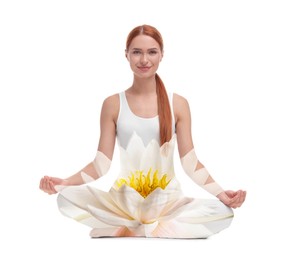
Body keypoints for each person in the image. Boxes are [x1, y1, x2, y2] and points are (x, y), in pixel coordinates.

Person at [39, 24, 246, 238]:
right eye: (137, 52)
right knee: (65, 197)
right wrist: (64, 183)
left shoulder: (178, 103)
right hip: (124, 204)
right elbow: (101, 164)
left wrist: (222, 194)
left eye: (152, 52)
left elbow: (190, 162)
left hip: (167, 203)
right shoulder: (113, 103)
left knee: (223, 212)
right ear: (126, 55)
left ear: (162, 55)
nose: (144, 60)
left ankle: (142, 228)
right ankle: (147, 228)